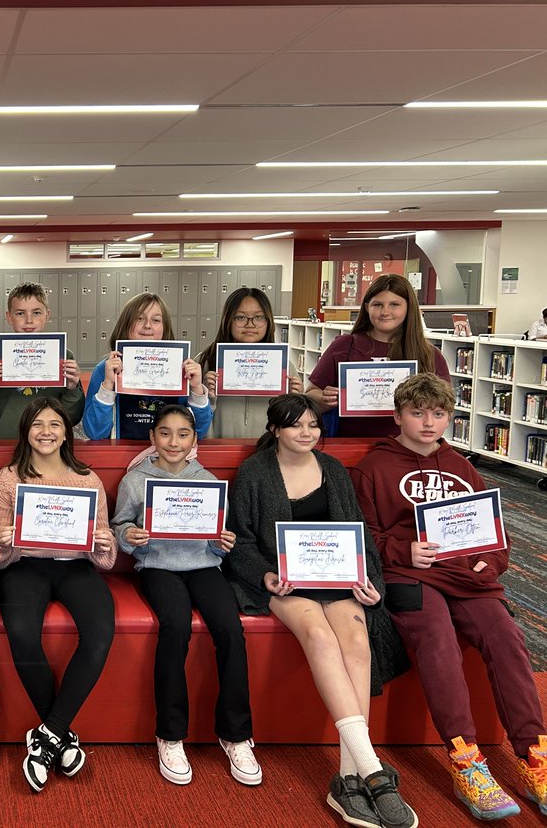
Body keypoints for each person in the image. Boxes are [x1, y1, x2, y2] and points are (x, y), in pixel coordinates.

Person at [352, 373, 547, 821]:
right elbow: (362, 535)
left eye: (438, 414)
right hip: (409, 577)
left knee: (508, 639)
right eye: (417, 413)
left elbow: (495, 532)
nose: (427, 422)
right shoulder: (373, 469)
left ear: (449, 419)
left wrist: (491, 563)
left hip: (468, 577)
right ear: (398, 415)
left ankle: (534, 755)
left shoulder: (463, 467)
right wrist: (403, 550)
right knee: (438, 642)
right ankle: (467, 761)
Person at [224, 393, 416, 828]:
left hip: (336, 577)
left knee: (357, 640)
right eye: (296, 425)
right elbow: (242, 540)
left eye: (313, 425)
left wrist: (370, 583)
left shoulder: (331, 470)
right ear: (275, 429)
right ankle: (373, 771)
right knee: (319, 636)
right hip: (284, 580)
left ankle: (350, 776)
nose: (307, 432)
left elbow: (358, 534)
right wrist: (266, 577)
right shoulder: (255, 472)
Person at [113, 404, 260, 788]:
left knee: (230, 628)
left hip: (204, 566)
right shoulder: (135, 480)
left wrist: (223, 543)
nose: (173, 441)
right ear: (152, 438)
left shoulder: (208, 481)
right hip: (158, 567)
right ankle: (170, 734)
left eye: (182, 434)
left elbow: (220, 538)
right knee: (175, 626)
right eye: (164, 433)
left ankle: (236, 734)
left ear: (195, 440)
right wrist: (129, 537)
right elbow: (119, 527)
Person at [0, 397, 116, 792]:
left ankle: (47, 736)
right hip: (25, 568)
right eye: (37, 424)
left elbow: (105, 560)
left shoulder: (87, 479)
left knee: (99, 633)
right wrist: (4, 540)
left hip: (74, 566)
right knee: (23, 634)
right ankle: (60, 736)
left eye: (55, 424)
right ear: (25, 431)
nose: (46, 431)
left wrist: (103, 541)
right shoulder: (9, 478)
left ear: (67, 432)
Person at [307, 274, 449, 438]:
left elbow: (444, 407)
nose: (385, 312)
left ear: (409, 308)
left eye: (394, 305)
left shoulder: (429, 355)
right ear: (367, 307)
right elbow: (310, 395)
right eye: (378, 305)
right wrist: (325, 399)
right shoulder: (345, 346)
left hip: (409, 448)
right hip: (349, 444)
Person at [83, 292, 211, 441]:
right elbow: (94, 432)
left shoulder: (183, 371)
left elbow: (199, 432)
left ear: (165, 328)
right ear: (126, 324)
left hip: (168, 458)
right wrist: (107, 386)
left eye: (156, 320)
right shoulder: (104, 370)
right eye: (139, 318)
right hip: (122, 458)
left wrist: (196, 390)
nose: (148, 325)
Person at [0, 283, 84, 439]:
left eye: (36, 313)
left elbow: (71, 418)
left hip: (49, 443)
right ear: (9, 317)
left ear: (47, 315)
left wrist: (72, 388)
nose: (29, 320)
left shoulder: (64, 357)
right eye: (20, 313)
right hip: (6, 441)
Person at [195, 287, 301, 439]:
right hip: (216, 451)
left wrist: (295, 399)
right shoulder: (204, 361)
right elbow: (188, 418)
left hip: (269, 453)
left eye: (259, 317)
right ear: (227, 320)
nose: (250, 324)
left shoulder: (284, 366)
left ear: (268, 321)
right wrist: (204, 394)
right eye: (240, 317)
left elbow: (296, 422)